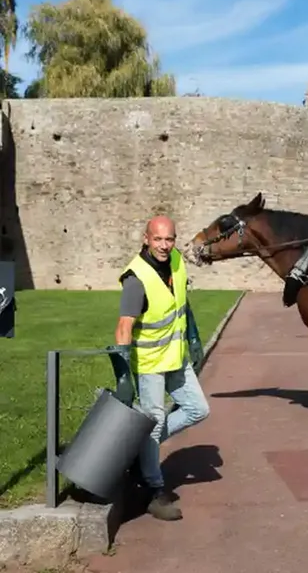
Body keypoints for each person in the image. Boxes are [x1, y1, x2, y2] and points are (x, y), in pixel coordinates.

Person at [113, 215, 209, 521]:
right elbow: (123, 326)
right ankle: (153, 490)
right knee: (153, 420)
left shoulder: (177, 261)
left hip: (177, 357)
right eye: (158, 239)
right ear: (146, 239)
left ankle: (143, 448)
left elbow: (182, 303)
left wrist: (193, 337)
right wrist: (123, 372)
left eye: (170, 239)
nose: (165, 246)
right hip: (151, 362)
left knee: (198, 409)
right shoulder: (136, 278)